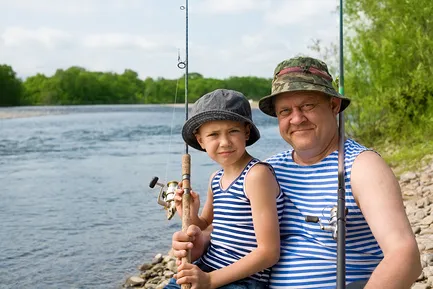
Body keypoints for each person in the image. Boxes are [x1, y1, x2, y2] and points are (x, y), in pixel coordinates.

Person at [170, 57, 422, 288]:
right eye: (285, 111)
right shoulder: (269, 168)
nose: (297, 119)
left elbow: (404, 255)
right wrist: (199, 241)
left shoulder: (362, 166)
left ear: (334, 105)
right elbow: (234, 230)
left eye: (308, 106)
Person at [165, 88, 285, 289]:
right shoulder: (216, 178)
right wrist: (190, 213)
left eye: (233, 131)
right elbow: (204, 225)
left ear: (246, 132)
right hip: (206, 267)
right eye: (213, 134)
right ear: (201, 141)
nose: (224, 142)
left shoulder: (256, 175)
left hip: (244, 280)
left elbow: (269, 252)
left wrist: (210, 281)